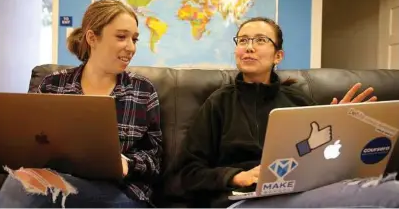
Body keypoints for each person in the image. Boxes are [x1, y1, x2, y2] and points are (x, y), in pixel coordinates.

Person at [171, 17, 399, 208]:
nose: (249, 47)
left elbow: (305, 155)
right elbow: (189, 172)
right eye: (243, 40)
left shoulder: (297, 100)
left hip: (298, 192)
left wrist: (339, 126)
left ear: (278, 56)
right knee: (390, 195)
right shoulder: (219, 103)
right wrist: (236, 176)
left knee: (389, 188)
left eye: (260, 40)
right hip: (242, 200)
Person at [0, 0, 162, 208]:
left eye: (134, 39)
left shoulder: (143, 90)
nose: (131, 47)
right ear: (92, 38)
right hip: (61, 183)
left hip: (121, 194)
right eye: (121, 37)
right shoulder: (53, 85)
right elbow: (29, 143)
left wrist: (128, 164)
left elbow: (155, 159)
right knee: (24, 180)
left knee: (26, 185)